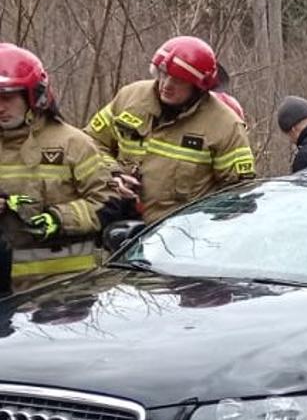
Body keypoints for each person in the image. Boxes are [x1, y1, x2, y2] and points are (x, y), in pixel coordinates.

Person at [86, 36, 255, 222]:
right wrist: (113, 174)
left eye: (178, 81)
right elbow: (90, 143)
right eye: (163, 74)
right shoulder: (130, 98)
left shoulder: (225, 126)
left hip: (183, 239)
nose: (166, 85)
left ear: (199, 87)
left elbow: (239, 194)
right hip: (121, 229)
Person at [0, 43, 117, 294]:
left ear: (34, 95)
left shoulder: (73, 144)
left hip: (61, 291)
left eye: (7, 97)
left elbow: (108, 202)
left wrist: (58, 218)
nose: (0, 107)